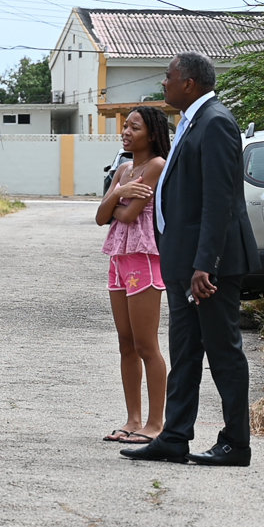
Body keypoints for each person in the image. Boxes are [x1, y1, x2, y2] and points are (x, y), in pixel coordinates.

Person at [122, 52, 261, 467]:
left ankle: (236, 443)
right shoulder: (191, 121)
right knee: (184, 353)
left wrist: (206, 264)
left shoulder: (215, 122)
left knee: (223, 353)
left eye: (168, 77)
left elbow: (219, 201)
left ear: (189, 83)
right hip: (185, 264)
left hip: (208, 268)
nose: (163, 84)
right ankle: (175, 437)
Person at [95, 107, 171, 445]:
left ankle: (156, 423)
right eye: (125, 125)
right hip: (119, 259)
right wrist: (117, 193)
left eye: (134, 127)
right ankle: (132, 419)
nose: (126, 131)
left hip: (144, 259)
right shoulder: (125, 169)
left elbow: (126, 217)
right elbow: (102, 216)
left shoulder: (156, 165)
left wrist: (117, 202)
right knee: (126, 343)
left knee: (146, 345)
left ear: (152, 134)